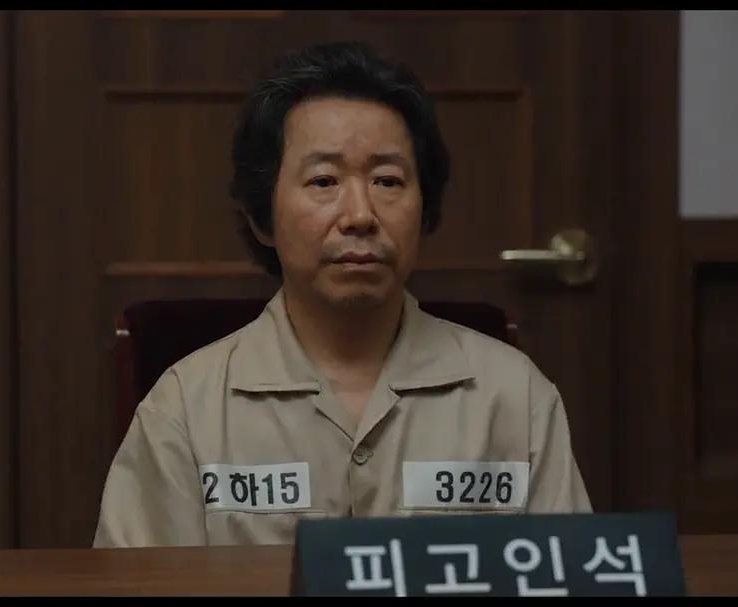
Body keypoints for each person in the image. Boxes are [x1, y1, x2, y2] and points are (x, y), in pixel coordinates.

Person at [94, 41, 591, 548]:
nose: (359, 215)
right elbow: (137, 579)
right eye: (324, 180)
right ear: (262, 218)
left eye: (387, 180)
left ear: (425, 207)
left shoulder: (513, 397)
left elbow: (571, 574)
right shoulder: (185, 407)